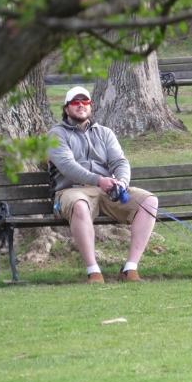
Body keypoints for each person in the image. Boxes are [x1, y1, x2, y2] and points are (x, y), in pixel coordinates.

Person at [47, 86, 158, 283]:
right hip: (70, 191)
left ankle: (130, 269)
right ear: (66, 108)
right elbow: (67, 167)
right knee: (80, 206)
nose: (81, 105)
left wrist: (122, 183)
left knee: (149, 201)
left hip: (106, 189)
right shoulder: (56, 134)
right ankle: (94, 272)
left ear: (91, 107)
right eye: (75, 102)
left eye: (85, 102)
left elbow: (120, 162)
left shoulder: (105, 133)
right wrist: (98, 180)